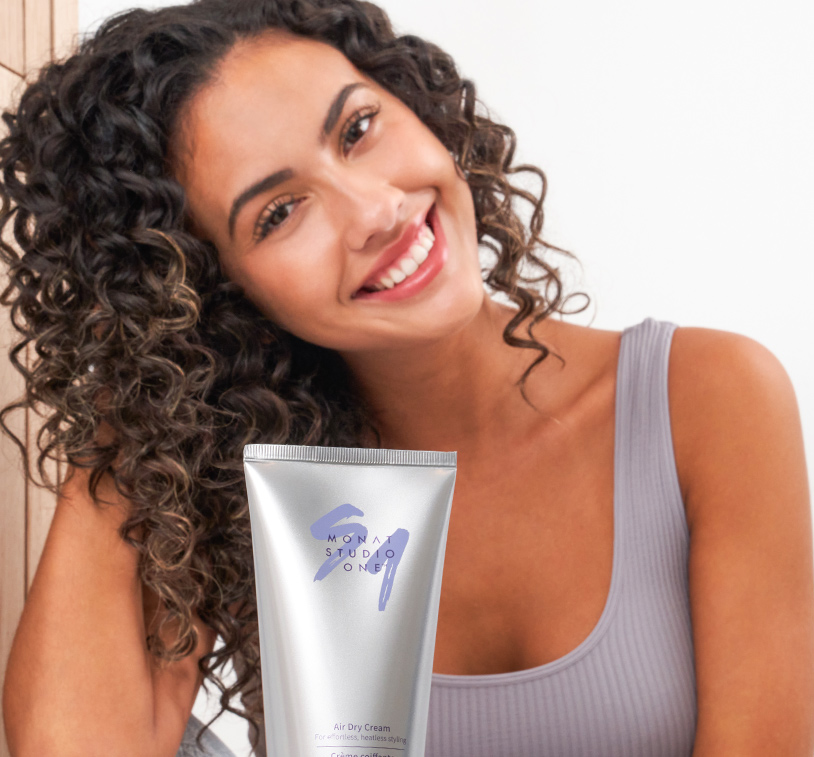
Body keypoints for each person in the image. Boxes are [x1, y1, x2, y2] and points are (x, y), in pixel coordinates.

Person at [1, 0, 813, 755]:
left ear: (414, 105)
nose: (375, 210)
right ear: (213, 289)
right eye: (279, 214)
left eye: (357, 129)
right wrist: (142, 361)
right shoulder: (253, 501)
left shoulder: (706, 399)